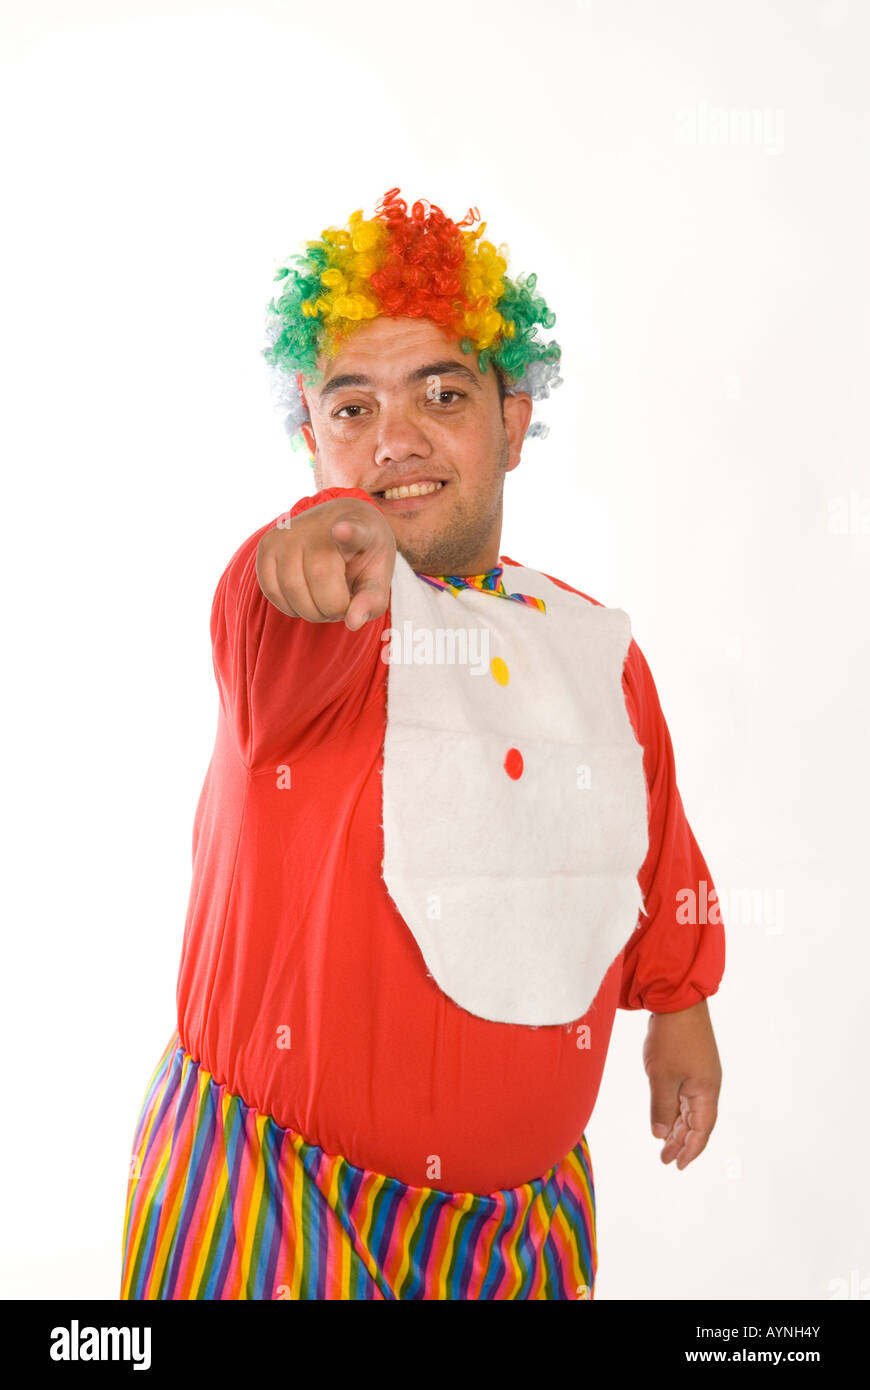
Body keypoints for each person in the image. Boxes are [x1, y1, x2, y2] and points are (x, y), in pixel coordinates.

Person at [119, 187, 724, 1301]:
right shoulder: (311, 633)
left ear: (511, 420)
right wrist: (306, 549)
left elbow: (643, 848)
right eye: (351, 410)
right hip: (271, 1208)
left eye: (441, 393)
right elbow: (273, 591)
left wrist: (679, 1011)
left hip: (521, 1236)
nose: (394, 438)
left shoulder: (595, 650)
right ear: (311, 439)